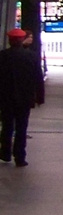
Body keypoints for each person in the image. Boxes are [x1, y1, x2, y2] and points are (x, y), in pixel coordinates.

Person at [0, 28, 45, 168]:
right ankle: (20, 157)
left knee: (7, 126)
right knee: (21, 127)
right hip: (25, 99)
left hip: (5, 98)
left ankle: (5, 153)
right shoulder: (31, 56)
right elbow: (39, 78)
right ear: (21, 40)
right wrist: (40, 97)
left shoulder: (2, 56)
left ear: (10, 40)